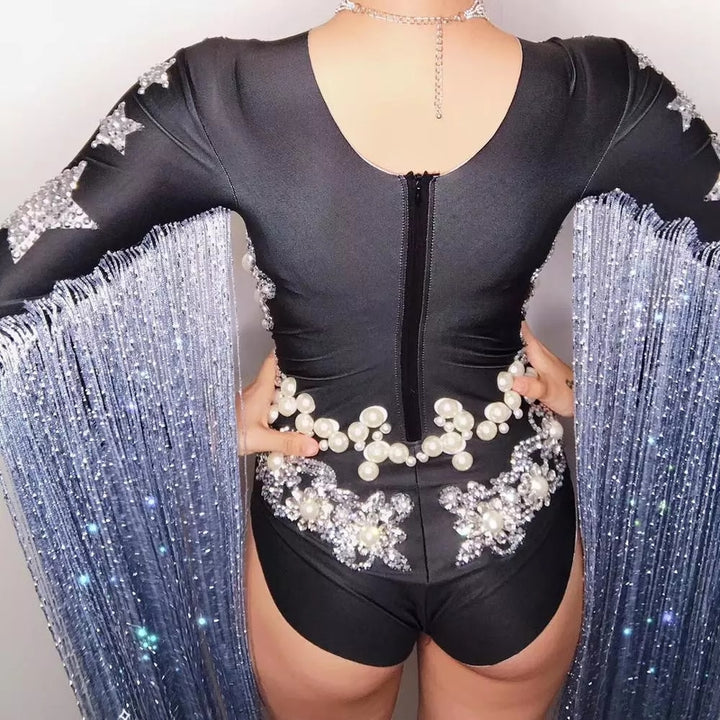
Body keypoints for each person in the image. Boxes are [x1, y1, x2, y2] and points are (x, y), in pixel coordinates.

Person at [0, 2, 718, 720]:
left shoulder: (217, 91)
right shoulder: (599, 87)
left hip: (319, 541)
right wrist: (605, 395)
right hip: (516, 541)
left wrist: (187, 423)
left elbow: (13, 289)